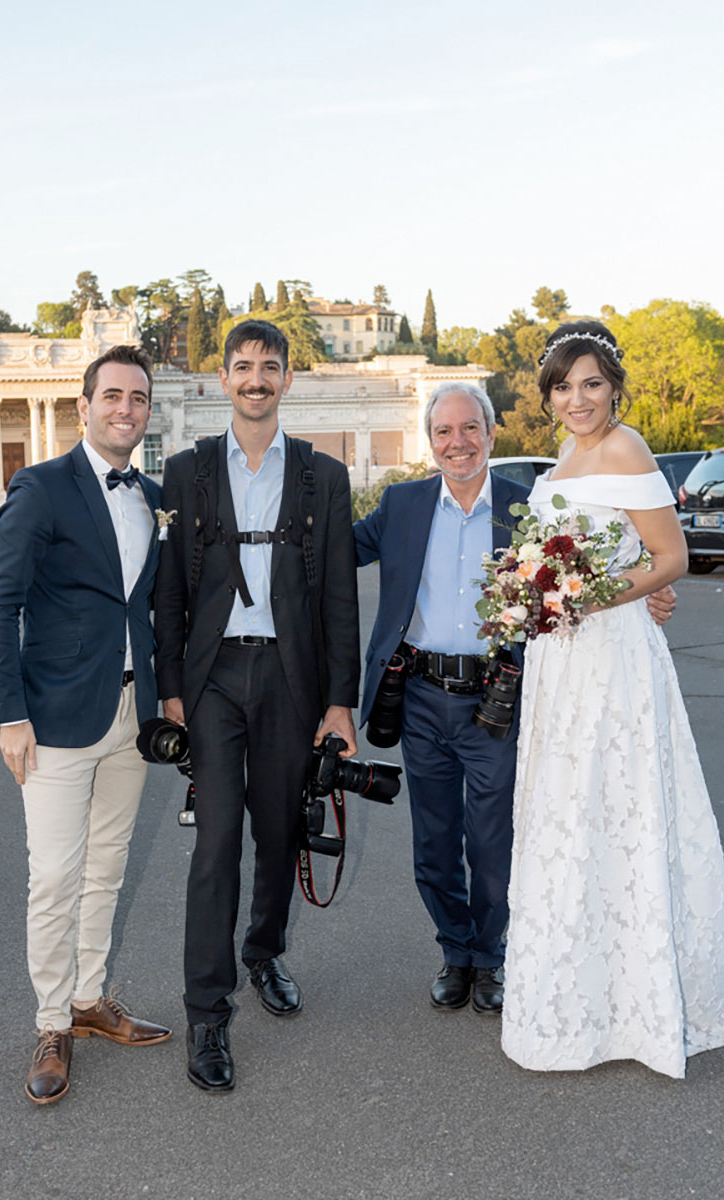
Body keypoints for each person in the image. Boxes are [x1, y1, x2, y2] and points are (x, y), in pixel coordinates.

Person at [501, 320, 724, 1078]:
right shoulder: (564, 456)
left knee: (617, 807)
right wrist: (526, 590)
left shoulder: (628, 448)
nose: (577, 399)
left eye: (591, 382)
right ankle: (580, 998)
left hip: (610, 658)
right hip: (558, 661)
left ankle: (639, 1003)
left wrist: (591, 597)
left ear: (614, 386)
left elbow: (674, 558)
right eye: (563, 386)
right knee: (568, 813)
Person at [154, 319, 360, 1093]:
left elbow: (340, 595)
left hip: (288, 677)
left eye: (269, 367)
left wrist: (340, 701)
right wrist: (171, 683)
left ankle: (264, 952)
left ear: (287, 381)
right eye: (242, 366)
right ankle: (208, 1014)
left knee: (278, 834)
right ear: (222, 380)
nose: (256, 379)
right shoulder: (187, 470)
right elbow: (170, 589)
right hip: (211, 682)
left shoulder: (321, 476)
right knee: (216, 847)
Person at [0, 344, 171, 1106]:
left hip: (130, 709)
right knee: (54, 877)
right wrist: (10, 714)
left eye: (139, 399)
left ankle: (92, 999)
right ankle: (52, 1020)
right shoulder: (43, 487)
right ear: (84, 405)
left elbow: (152, 607)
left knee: (108, 866)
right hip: (53, 717)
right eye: (113, 396)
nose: (127, 409)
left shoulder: (152, 494)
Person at [354, 383, 529, 1015]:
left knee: (490, 841)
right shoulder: (402, 504)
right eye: (444, 432)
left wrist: (652, 590)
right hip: (421, 698)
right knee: (433, 840)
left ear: (490, 433)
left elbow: (591, 569)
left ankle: (489, 957)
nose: (458, 443)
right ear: (430, 443)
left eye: (469, 429)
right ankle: (455, 952)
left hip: (496, 700)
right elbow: (331, 553)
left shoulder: (526, 507)